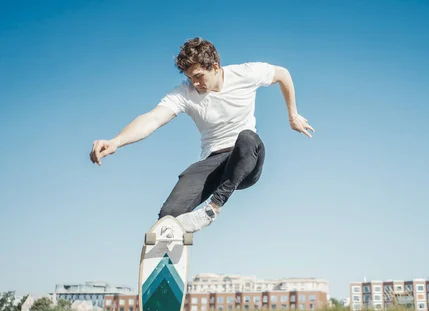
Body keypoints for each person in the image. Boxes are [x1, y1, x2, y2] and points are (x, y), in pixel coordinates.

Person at [89, 37, 314, 233]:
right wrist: (117, 140)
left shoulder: (245, 73)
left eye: (198, 76)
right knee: (169, 216)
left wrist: (292, 114)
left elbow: (282, 74)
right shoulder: (184, 93)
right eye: (190, 78)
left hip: (245, 160)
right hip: (213, 162)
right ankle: (165, 265)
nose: (194, 84)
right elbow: (153, 118)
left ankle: (212, 209)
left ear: (215, 67)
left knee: (247, 137)